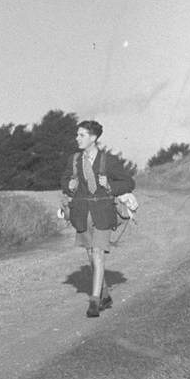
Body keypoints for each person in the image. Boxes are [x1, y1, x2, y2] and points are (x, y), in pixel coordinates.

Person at [60, 119, 135, 318]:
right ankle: (105, 294)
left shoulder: (108, 160)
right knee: (90, 256)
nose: (77, 138)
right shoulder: (74, 160)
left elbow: (129, 182)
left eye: (81, 135)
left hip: (102, 212)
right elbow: (64, 181)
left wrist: (109, 185)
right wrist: (70, 186)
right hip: (81, 213)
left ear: (93, 138)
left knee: (98, 254)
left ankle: (94, 302)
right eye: (77, 135)